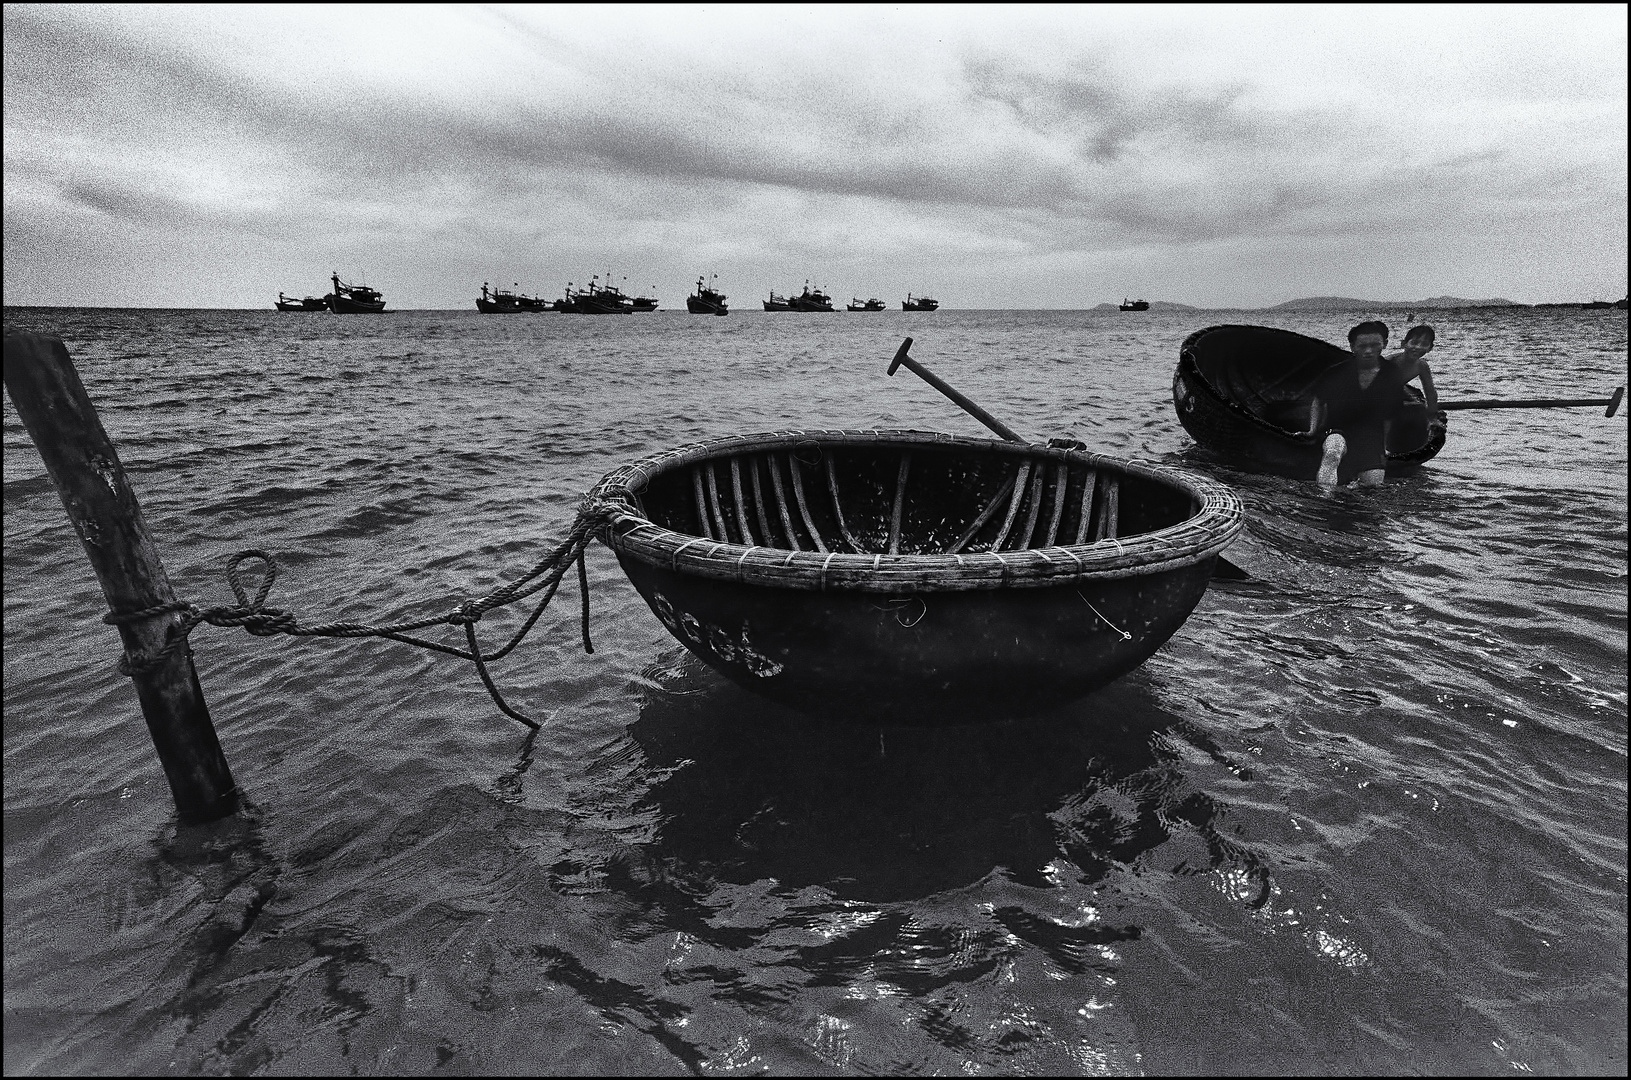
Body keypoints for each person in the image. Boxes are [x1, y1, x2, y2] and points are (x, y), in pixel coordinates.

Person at [1309, 320, 1409, 490]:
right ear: (1352, 347)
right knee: (1333, 451)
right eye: (1362, 346)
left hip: (1370, 435)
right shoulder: (1337, 372)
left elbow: (1390, 414)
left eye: (1374, 345)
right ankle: (1323, 497)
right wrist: (1312, 430)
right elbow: (1318, 400)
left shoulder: (1391, 374)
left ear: (1384, 345)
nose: (1368, 351)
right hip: (1336, 429)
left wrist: (1384, 447)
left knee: (1373, 484)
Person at [1387, 324, 1438, 412]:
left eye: (1424, 344)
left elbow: (1431, 393)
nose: (1418, 347)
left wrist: (1432, 416)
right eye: (1414, 343)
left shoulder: (1421, 365)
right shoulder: (1389, 362)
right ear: (1403, 344)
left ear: (1430, 348)